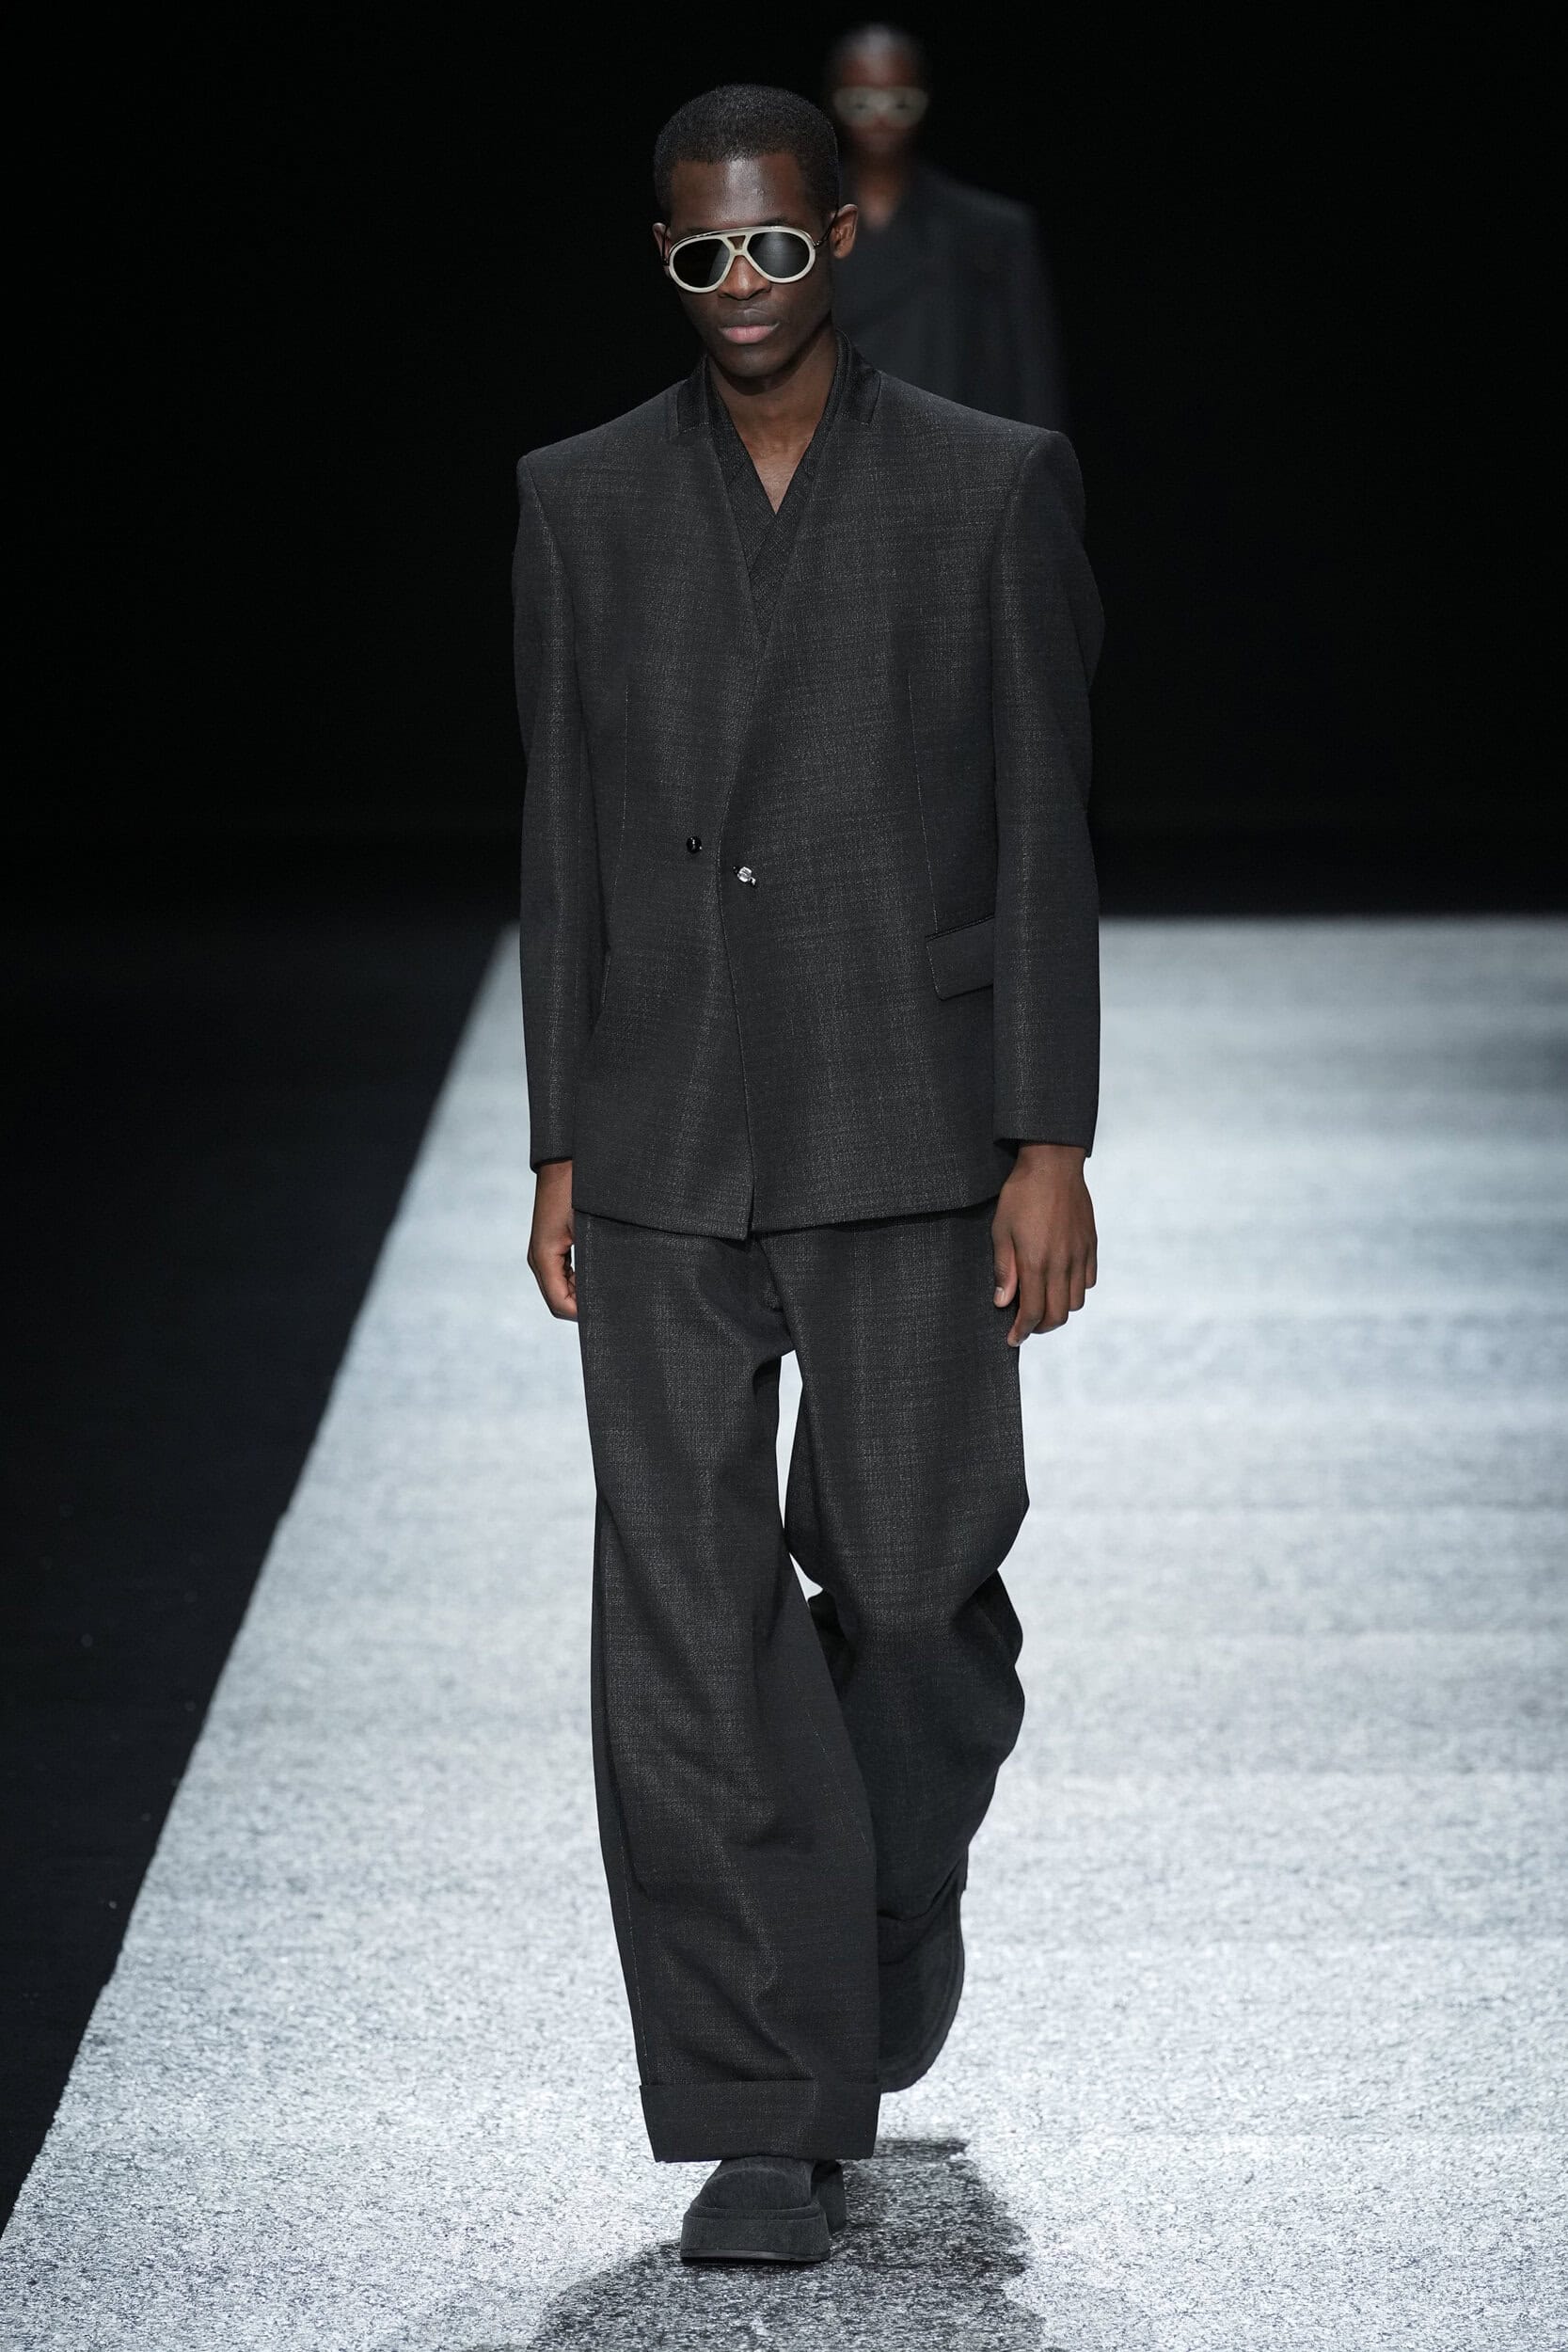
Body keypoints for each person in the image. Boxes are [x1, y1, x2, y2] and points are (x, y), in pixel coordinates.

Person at [514, 82, 1101, 2266]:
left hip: (906, 1106)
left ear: (840, 236)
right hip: (664, 1125)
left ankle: (876, 1894)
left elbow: (1042, 819)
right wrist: (560, 1135)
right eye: (703, 253)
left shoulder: (985, 482)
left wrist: (1048, 1137)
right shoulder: (577, 499)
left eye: (775, 242)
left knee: (920, 1581)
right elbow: (562, 832)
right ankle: (765, 2102)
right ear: (664, 259)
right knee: (681, 1623)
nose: (742, 282)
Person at [828, 24, 1067, 429]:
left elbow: (1032, 382)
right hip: (834, 447)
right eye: (861, 102)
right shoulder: (799, 227)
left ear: (925, 101)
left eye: (900, 103)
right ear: (834, 102)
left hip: (957, 450)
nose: (881, 119)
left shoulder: (992, 232)